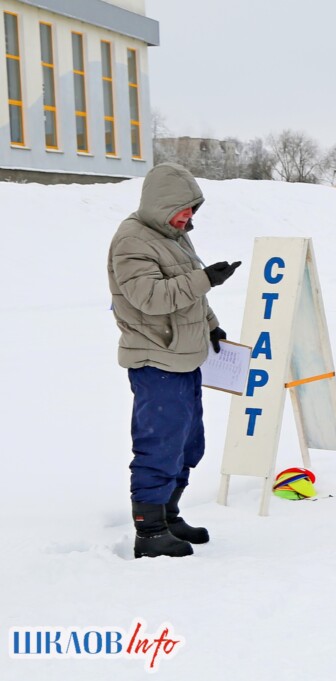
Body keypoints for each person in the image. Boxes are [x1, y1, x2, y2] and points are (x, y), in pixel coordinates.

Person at [108, 163, 241, 559]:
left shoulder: (174, 236)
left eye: (193, 210)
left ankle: (168, 515)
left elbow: (191, 298)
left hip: (184, 356)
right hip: (156, 359)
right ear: (160, 204)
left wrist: (211, 325)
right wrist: (206, 279)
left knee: (187, 442)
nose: (188, 217)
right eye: (182, 210)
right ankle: (149, 532)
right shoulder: (132, 240)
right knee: (159, 444)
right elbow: (150, 298)